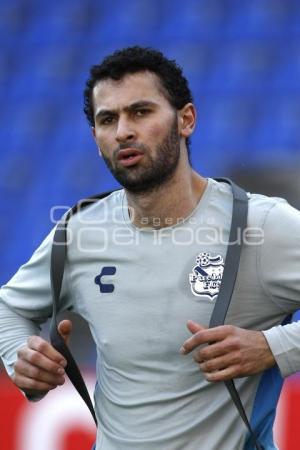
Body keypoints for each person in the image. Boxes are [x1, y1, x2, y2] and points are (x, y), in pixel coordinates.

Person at [0, 46, 300, 450]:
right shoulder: (80, 231)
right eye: (108, 119)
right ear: (96, 139)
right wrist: (20, 354)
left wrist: (273, 347)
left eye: (140, 112)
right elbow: (8, 307)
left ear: (186, 120)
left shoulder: (260, 226)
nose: (123, 130)